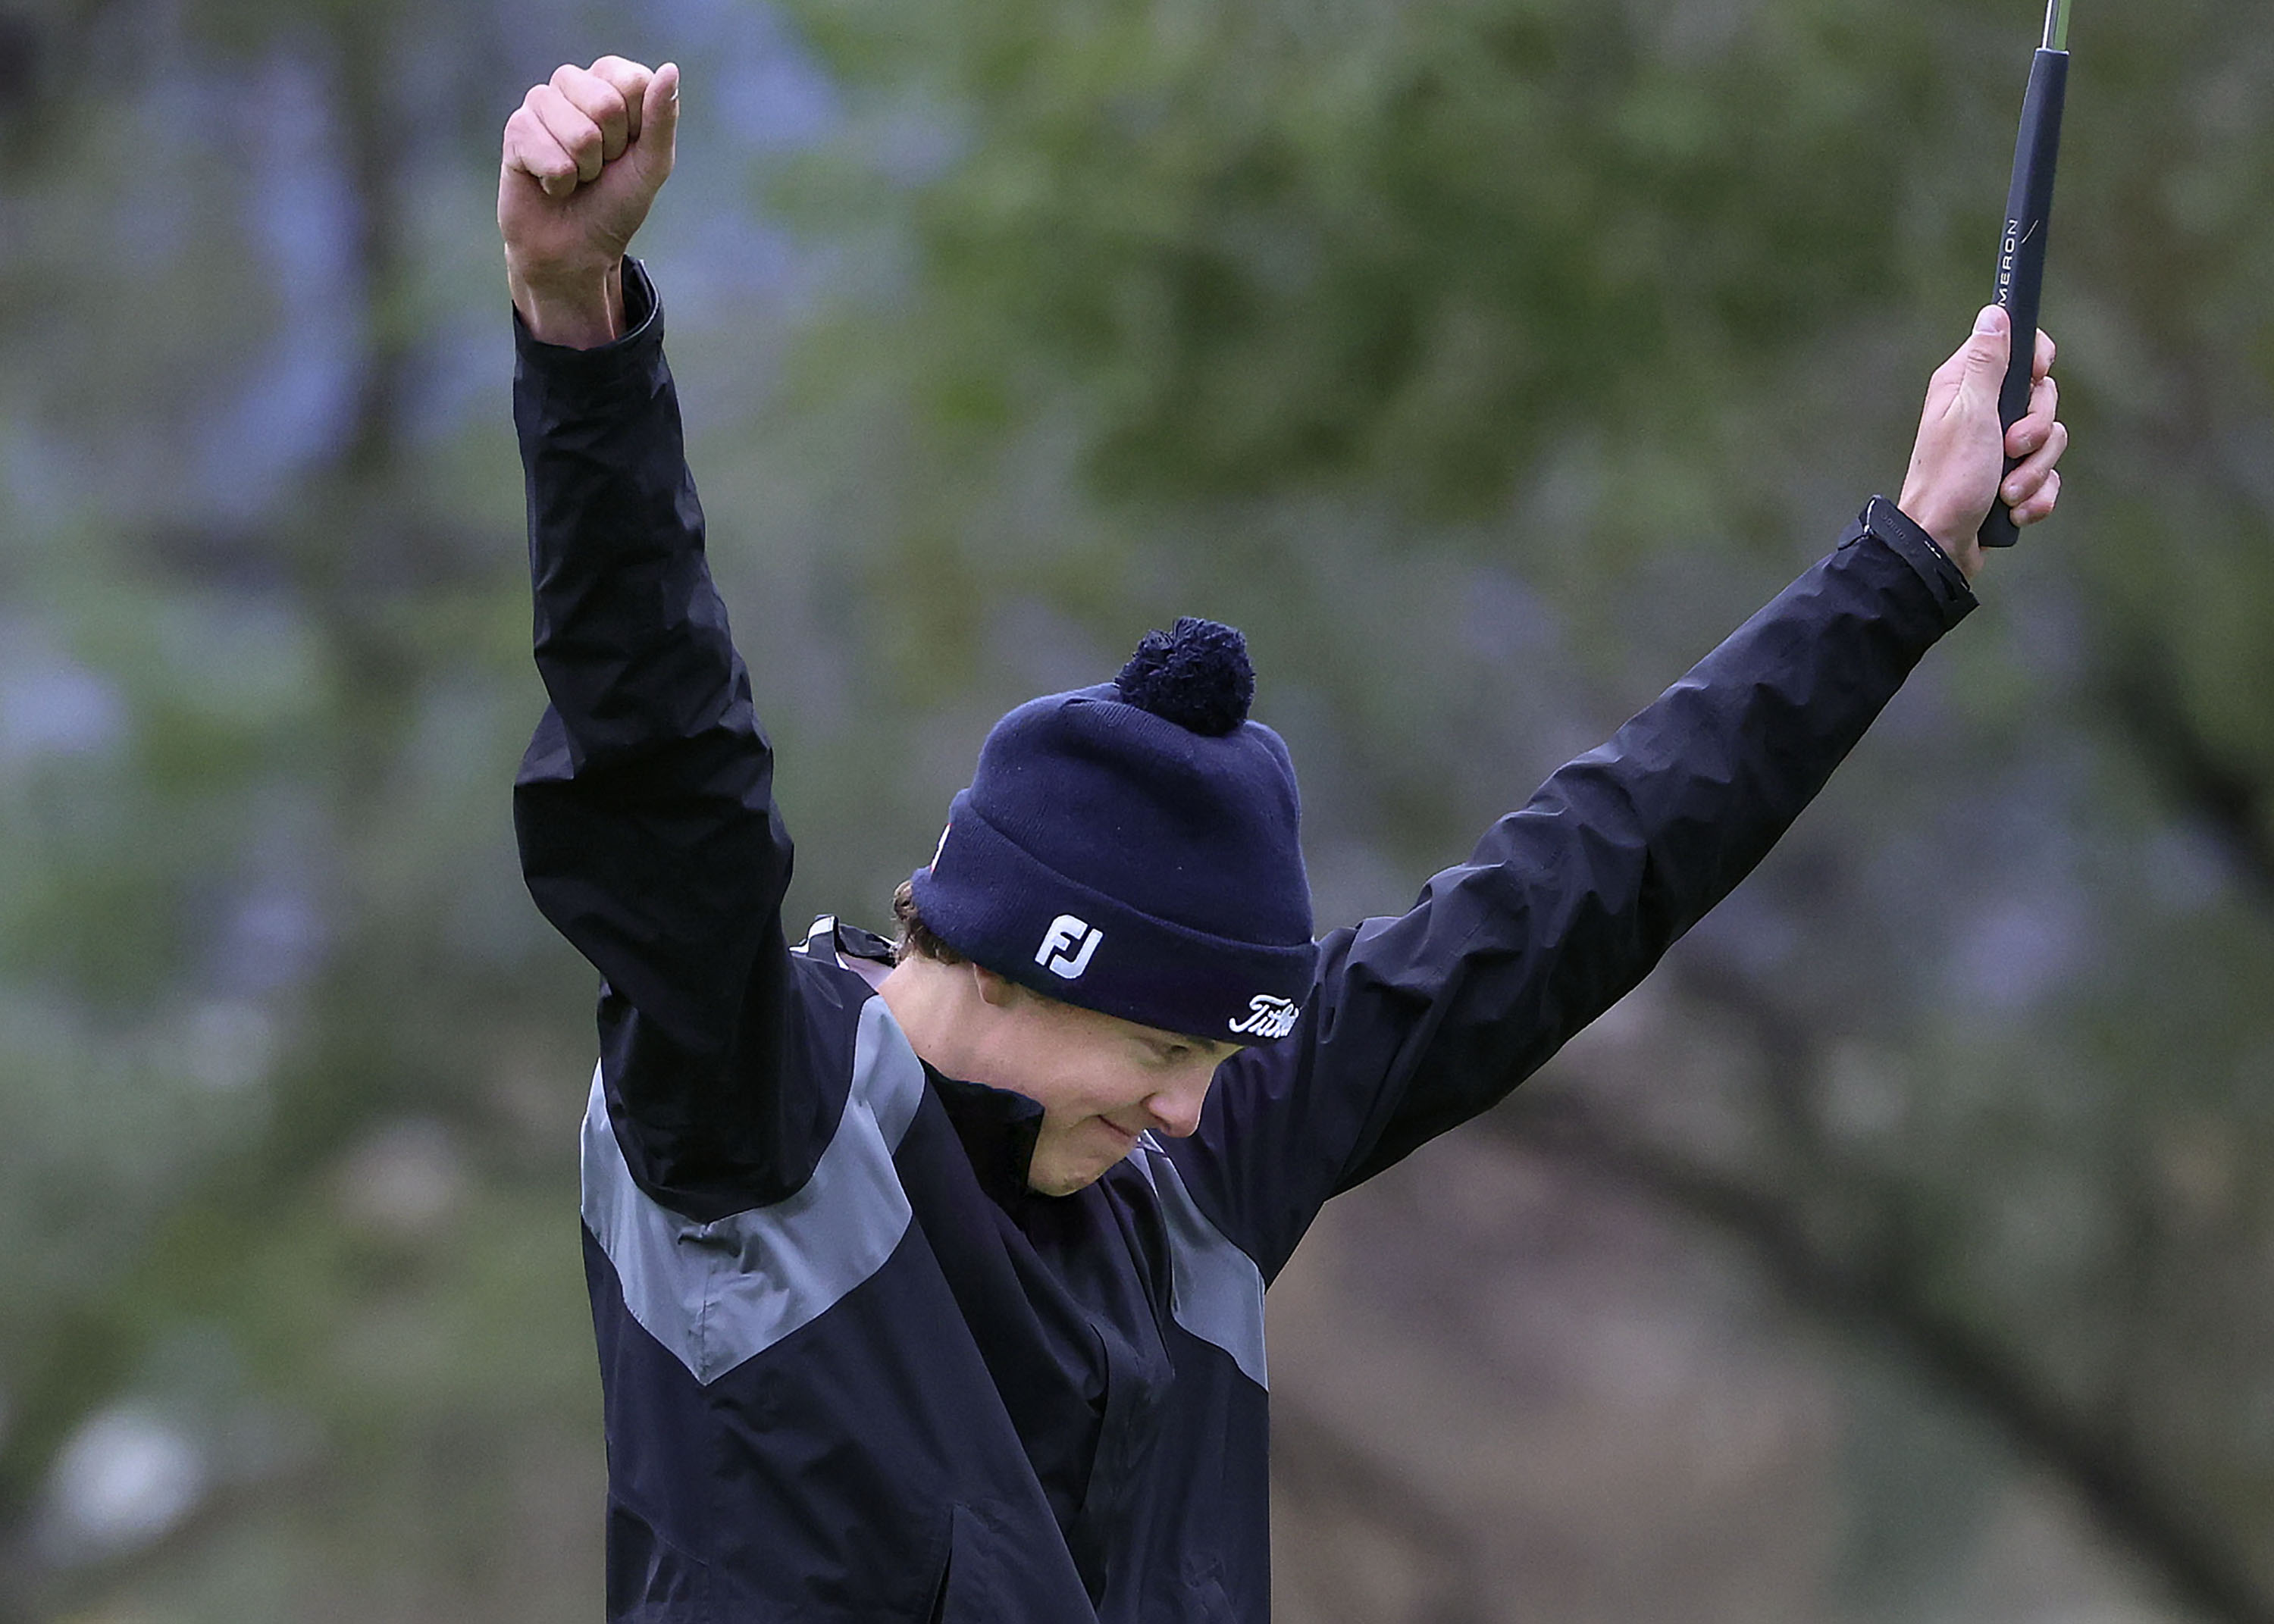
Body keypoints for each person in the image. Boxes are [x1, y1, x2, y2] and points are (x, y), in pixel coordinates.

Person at [500, 55, 2069, 1624]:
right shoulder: (753, 1112)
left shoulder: (1195, 1164)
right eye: (1162, 1055)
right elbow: (661, 763)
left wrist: (1906, 560)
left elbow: (1581, 884)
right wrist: (579, 329)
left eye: (1216, 1060)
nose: (1194, 1115)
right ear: (1027, 963)